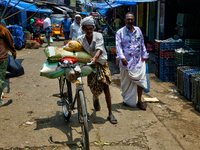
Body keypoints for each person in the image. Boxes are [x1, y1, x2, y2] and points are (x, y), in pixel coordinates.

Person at [76, 16, 117, 124]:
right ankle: (96, 98)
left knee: (106, 85)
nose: (89, 31)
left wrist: (94, 58)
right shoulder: (80, 39)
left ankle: (110, 113)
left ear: (93, 28)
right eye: (87, 29)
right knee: (92, 85)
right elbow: (76, 49)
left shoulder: (98, 35)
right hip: (90, 65)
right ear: (83, 29)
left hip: (102, 64)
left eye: (91, 29)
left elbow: (99, 48)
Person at [116, 12, 148, 110]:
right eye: (128, 19)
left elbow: (142, 43)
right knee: (126, 84)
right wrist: (122, 57)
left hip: (138, 61)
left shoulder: (138, 30)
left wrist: (145, 55)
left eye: (131, 19)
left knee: (140, 81)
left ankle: (139, 101)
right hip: (126, 62)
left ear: (134, 20)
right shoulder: (120, 32)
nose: (130, 21)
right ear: (125, 20)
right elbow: (118, 46)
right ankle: (127, 100)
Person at [0, 22, 16, 106]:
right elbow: (10, 43)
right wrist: (14, 52)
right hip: (2, 58)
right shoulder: (3, 30)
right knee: (1, 78)